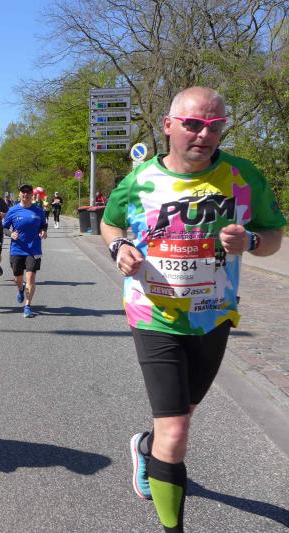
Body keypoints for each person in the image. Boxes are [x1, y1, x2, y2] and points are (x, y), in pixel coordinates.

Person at [100, 87, 285, 533]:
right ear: (168, 125)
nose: (204, 134)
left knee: (181, 417)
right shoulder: (140, 180)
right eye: (193, 124)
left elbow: (273, 237)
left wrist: (251, 241)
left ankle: (146, 448)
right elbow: (109, 223)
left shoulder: (244, 177)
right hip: (153, 314)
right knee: (177, 431)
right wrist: (120, 247)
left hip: (213, 316)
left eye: (215, 126)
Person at [3, 184, 48, 318]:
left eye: (28, 192)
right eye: (23, 192)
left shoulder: (38, 210)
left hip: (34, 249)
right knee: (18, 278)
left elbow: (43, 225)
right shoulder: (13, 210)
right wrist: (11, 234)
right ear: (19, 194)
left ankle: (27, 306)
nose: (25, 194)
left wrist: (43, 231)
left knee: (31, 277)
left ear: (31, 195)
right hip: (17, 249)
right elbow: (4, 228)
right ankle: (20, 289)